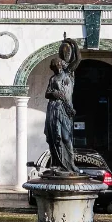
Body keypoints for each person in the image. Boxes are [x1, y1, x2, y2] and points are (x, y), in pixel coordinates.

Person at [42, 38, 80, 174]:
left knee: (66, 137)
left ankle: (70, 164)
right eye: (56, 64)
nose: (59, 65)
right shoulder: (52, 79)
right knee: (55, 137)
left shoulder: (68, 73)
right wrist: (55, 94)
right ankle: (57, 164)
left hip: (65, 109)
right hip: (53, 109)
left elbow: (77, 60)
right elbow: (47, 94)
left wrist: (74, 44)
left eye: (59, 64)